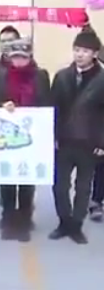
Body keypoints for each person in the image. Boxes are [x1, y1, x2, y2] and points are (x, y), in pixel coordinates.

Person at [0, 38, 51, 242]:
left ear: (30, 57)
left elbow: (46, 102)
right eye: (15, 57)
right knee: (6, 176)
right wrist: (2, 106)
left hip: (32, 133)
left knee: (27, 176)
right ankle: (7, 213)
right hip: (7, 133)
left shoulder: (40, 76)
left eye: (23, 57)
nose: (19, 61)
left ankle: (25, 214)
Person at [50, 28, 104, 244]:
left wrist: (102, 142)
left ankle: (76, 226)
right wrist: (52, 136)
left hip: (89, 142)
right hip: (64, 141)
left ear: (95, 54)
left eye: (85, 51)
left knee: (83, 187)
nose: (80, 54)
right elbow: (53, 108)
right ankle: (64, 222)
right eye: (77, 50)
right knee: (60, 186)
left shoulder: (102, 79)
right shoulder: (62, 76)